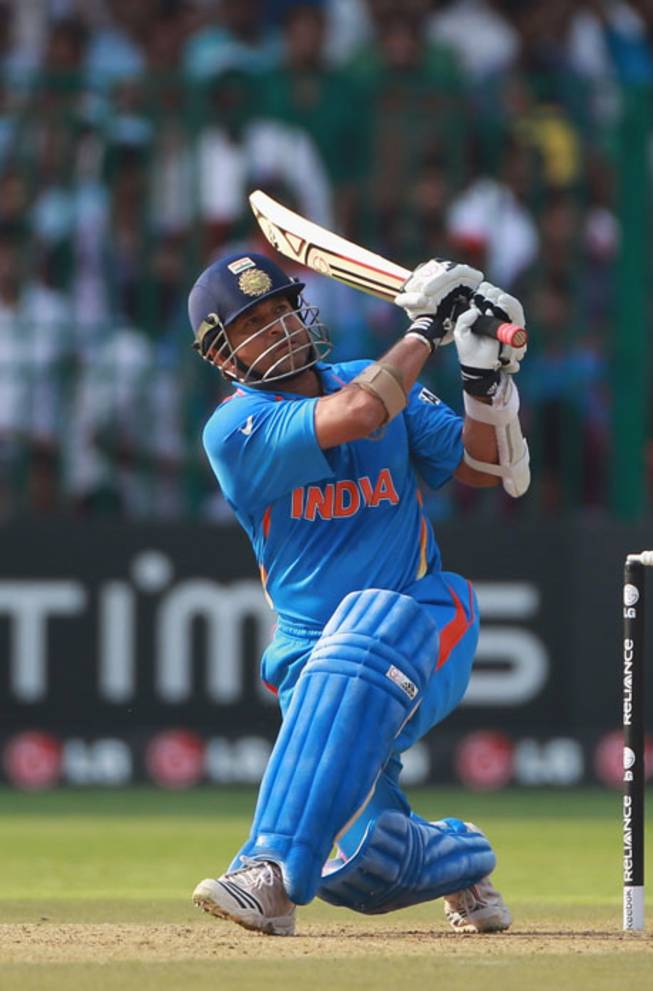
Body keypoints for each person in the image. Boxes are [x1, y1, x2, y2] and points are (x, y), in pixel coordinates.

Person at [186, 251, 531, 936]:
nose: (278, 326)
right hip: (309, 665)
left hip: (426, 617)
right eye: (253, 322)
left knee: (364, 620)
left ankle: (267, 869)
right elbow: (362, 409)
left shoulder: (374, 384)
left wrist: (483, 376)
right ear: (223, 356)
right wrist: (429, 327)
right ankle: (463, 857)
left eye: (282, 306)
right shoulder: (235, 428)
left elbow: (484, 468)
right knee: (361, 865)